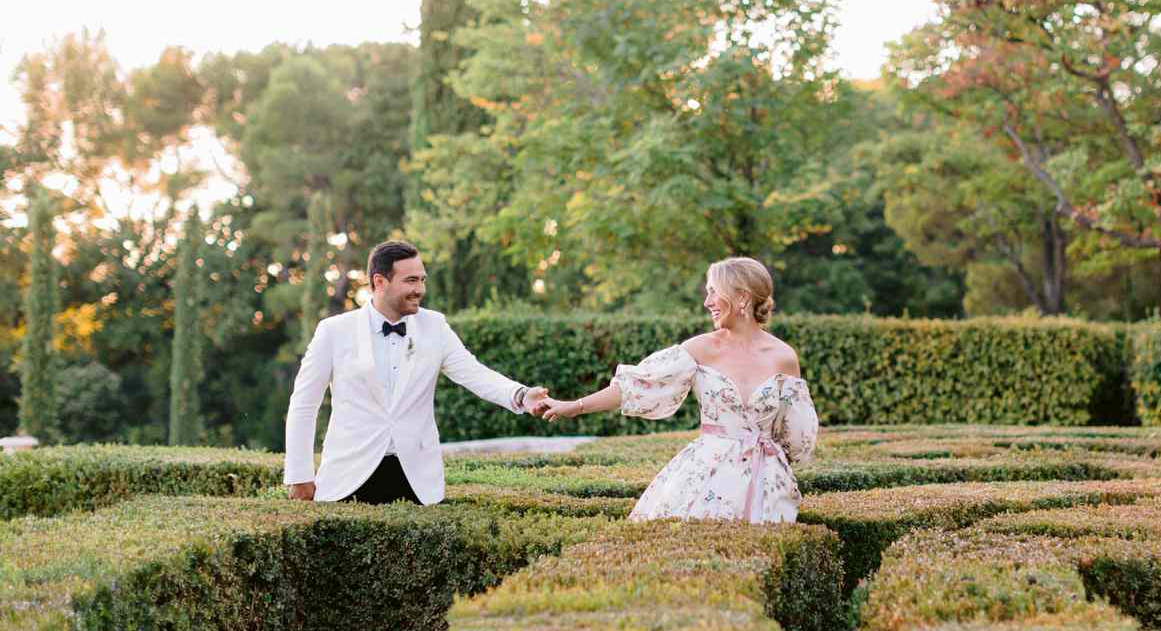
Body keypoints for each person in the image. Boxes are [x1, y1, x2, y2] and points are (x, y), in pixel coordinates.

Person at [541, 257, 817, 523]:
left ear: (742, 297)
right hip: (707, 471)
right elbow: (636, 386)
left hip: (766, 481)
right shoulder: (700, 348)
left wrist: (774, 467)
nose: (707, 302)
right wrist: (573, 406)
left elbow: (796, 432)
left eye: (713, 292)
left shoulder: (783, 357)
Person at [284, 240, 549, 505]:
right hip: (348, 478)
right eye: (411, 281)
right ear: (379, 282)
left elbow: (475, 374)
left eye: (422, 280)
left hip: (417, 481)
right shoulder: (333, 331)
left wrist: (522, 395)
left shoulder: (435, 326)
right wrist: (299, 476)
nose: (420, 289)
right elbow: (304, 405)